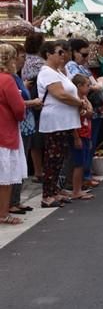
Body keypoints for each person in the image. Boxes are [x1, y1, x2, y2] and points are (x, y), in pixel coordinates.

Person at [37, 41, 83, 208]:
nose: (63, 56)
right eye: (59, 52)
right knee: (52, 158)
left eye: (64, 52)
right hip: (54, 121)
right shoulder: (47, 72)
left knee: (59, 158)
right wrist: (79, 103)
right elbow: (61, 95)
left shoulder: (58, 72)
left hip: (64, 121)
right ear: (48, 54)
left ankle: (54, 190)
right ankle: (47, 195)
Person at [65, 38, 103, 184]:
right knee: (84, 144)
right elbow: (86, 86)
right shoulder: (71, 67)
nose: (86, 58)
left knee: (91, 142)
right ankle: (83, 176)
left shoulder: (82, 66)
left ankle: (87, 173)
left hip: (94, 108)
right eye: (83, 55)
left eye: (87, 54)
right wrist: (100, 83)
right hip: (86, 110)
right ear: (74, 53)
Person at [9, 44, 41, 215]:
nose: (24, 60)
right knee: (14, 164)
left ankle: (16, 199)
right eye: (22, 57)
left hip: (26, 124)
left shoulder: (17, 76)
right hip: (19, 124)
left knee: (21, 163)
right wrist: (32, 102)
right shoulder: (10, 78)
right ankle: (11, 201)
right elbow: (15, 101)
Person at [0, 44, 27, 225]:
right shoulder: (7, 80)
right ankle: (3, 213)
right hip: (5, 131)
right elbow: (19, 108)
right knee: (5, 177)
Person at [22, 32, 45, 181]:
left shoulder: (26, 60)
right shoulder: (39, 63)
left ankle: (37, 169)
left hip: (31, 98)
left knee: (34, 138)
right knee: (37, 138)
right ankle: (38, 170)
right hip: (36, 100)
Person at [69, 74, 95, 200]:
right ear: (79, 86)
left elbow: (90, 111)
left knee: (82, 162)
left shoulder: (83, 98)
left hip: (85, 133)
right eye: (87, 85)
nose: (89, 88)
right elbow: (73, 119)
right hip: (79, 133)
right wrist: (76, 137)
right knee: (78, 163)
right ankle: (76, 190)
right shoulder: (75, 101)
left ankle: (78, 188)